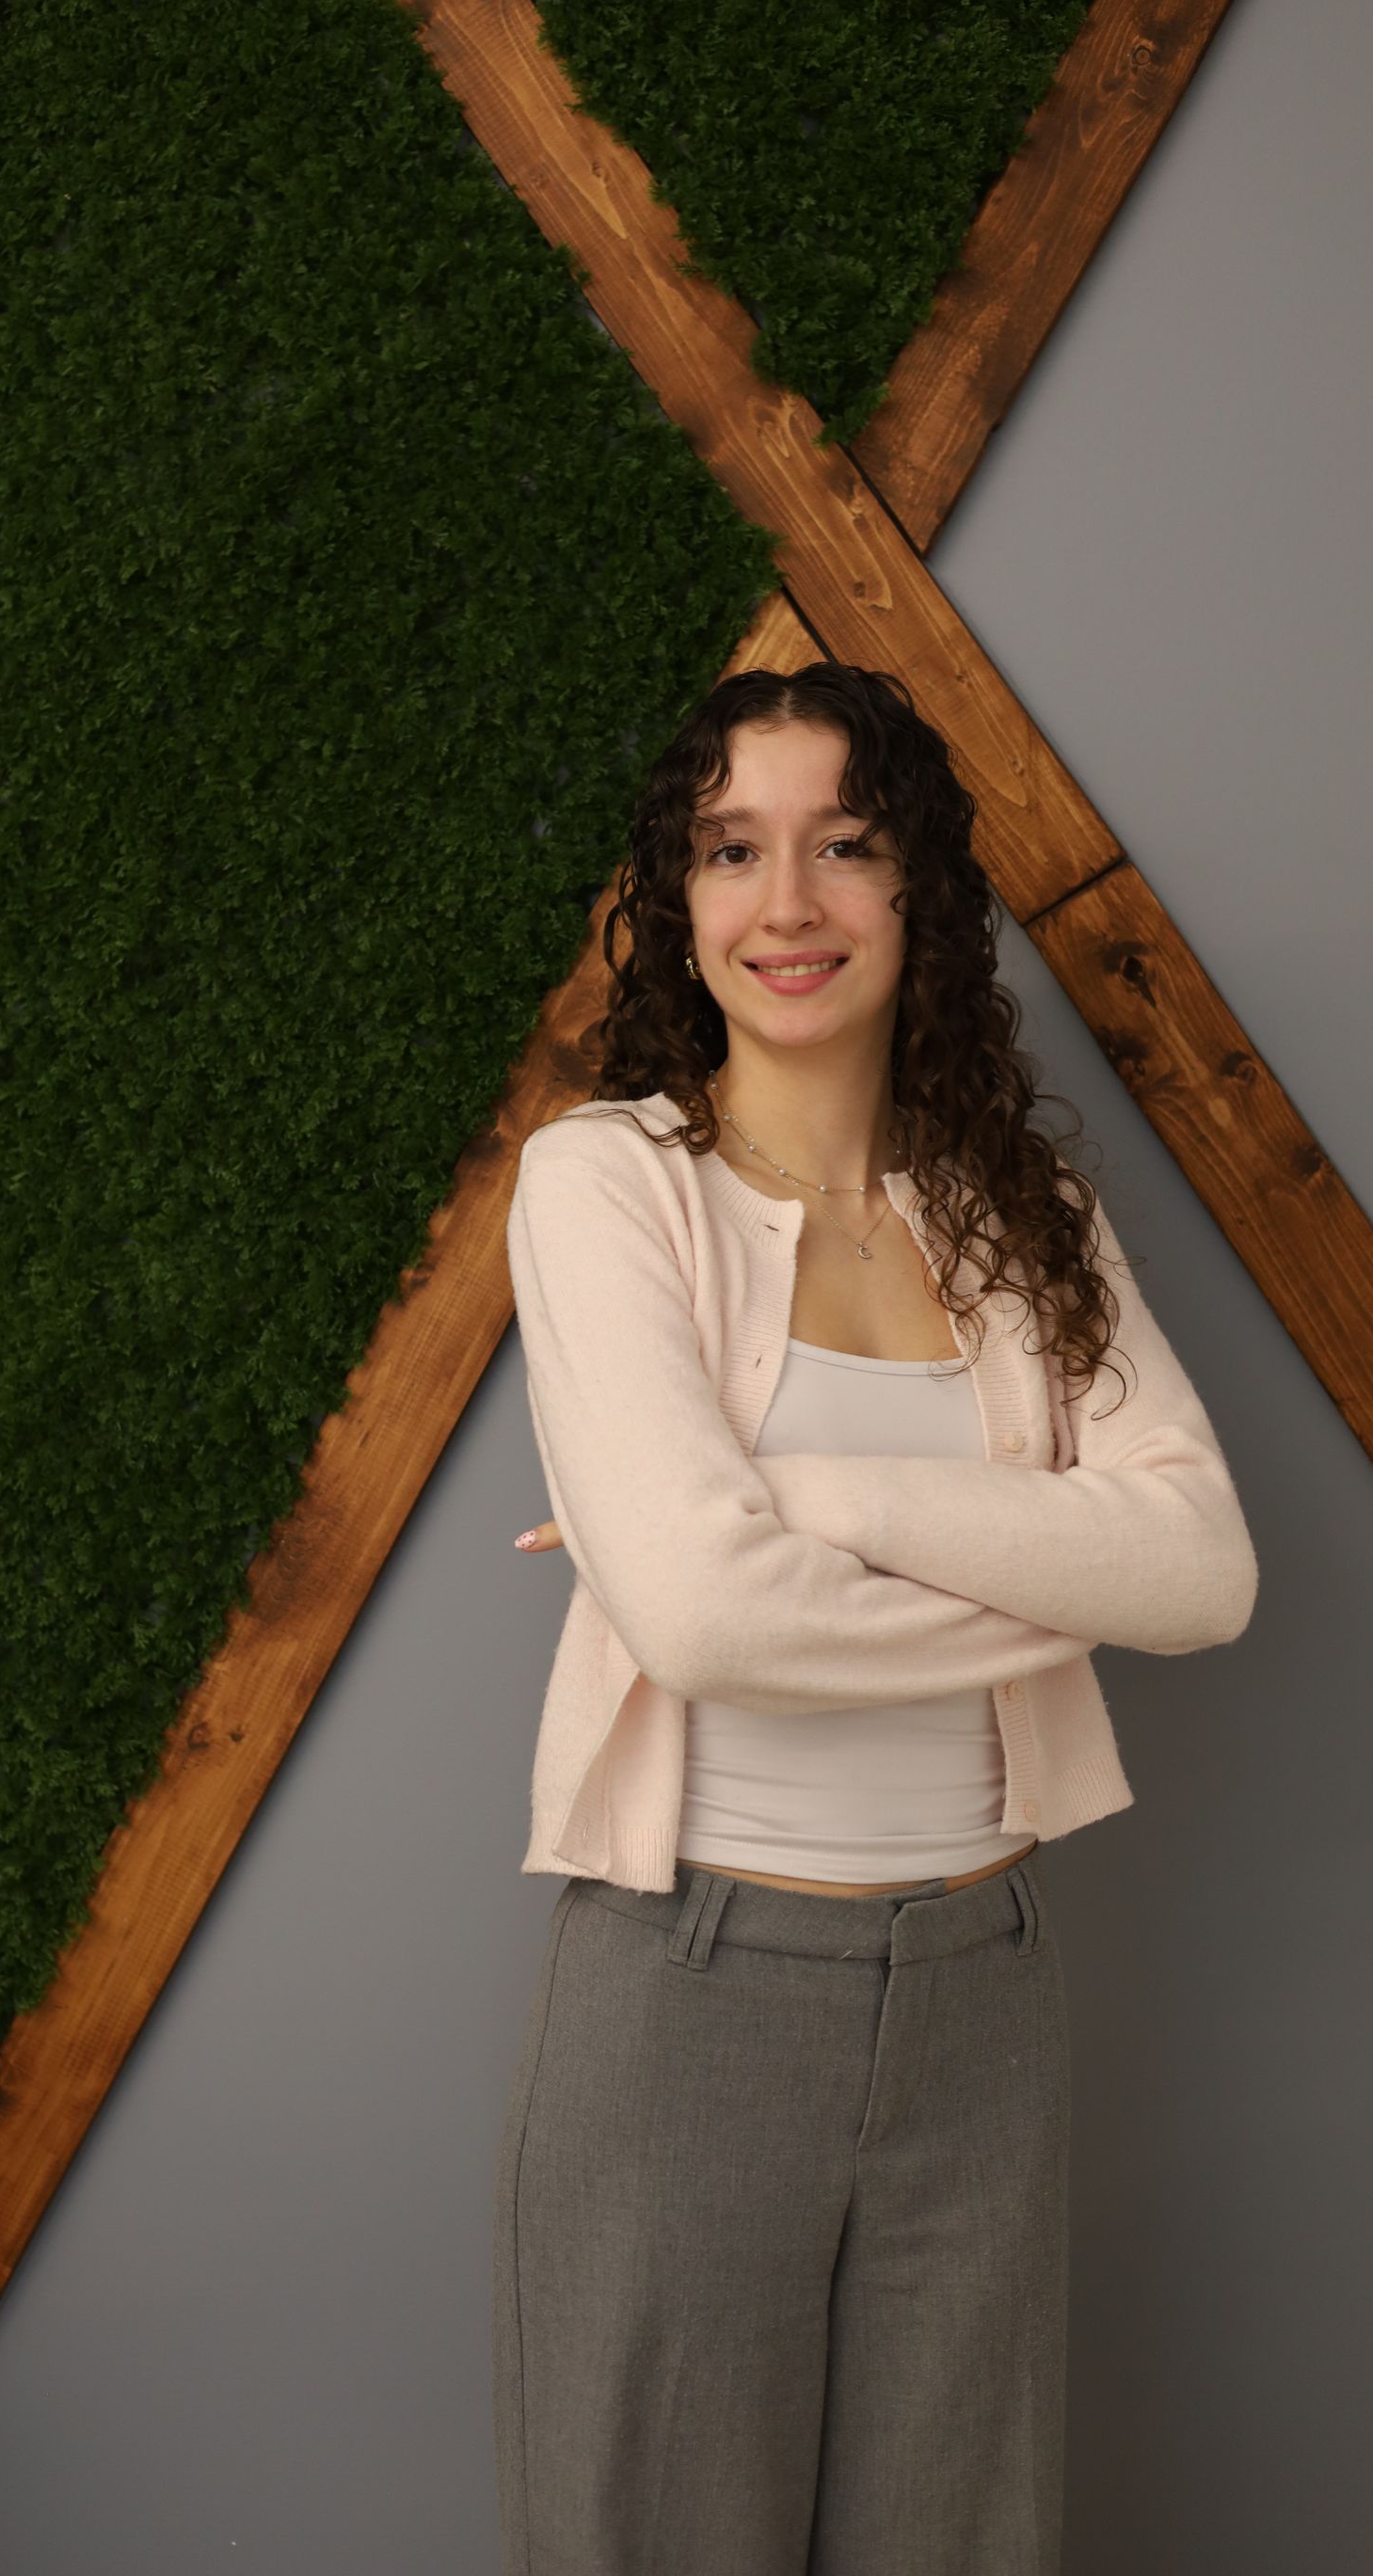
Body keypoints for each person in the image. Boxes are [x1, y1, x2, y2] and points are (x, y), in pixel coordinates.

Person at [493, 660, 1257, 2576]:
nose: (790, 905)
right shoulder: (607, 1189)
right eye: (734, 850)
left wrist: (818, 1504)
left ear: (919, 887)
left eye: (848, 845)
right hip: (692, 1996)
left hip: (990, 2001)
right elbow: (702, 1618)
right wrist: (1045, 1565)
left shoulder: (1024, 1223)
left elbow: (1205, 1575)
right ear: (679, 900)